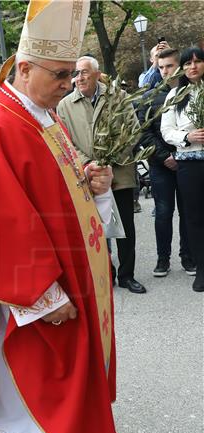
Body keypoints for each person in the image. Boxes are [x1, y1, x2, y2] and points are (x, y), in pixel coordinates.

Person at [0, 1, 120, 433]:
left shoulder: (42, 115)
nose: (69, 83)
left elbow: (59, 181)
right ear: (24, 68)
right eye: (60, 74)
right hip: (34, 286)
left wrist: (93, 179)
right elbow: (3, 222)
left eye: (74, 74)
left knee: (23, 378)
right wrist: (44, 296)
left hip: (68, 271)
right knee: (59, 379)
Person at [57, 55, 146, 294]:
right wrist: (91, 164)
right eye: (76, 73)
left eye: (85, 72)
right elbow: (65, 141)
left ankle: (128, 275)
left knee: (125, 225)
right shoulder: (65, 105)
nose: (80, 78)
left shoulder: (118, 97)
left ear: (97, 74)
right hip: (88, 175)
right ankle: (106, 273)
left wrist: (110, 160)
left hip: (120, 172)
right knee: (97, 229)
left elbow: (132, 132)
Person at [137, 48, 196, 278]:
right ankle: (163, 259)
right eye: (161, 67)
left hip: (187, 160)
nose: (165, 71)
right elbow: (144, 132)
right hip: (160, 164)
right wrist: (164, 157)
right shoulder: (149, 97)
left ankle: (187, 257)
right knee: (163, 212)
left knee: (187, 210)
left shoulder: (191, 92)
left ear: (178, 66)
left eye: (169, 66)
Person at [161, 45, 204, 292]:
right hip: (189, 164)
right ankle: (201, 268)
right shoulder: (175, 95)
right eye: (188, 63)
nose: (192, 66)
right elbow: (167, 131)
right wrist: (188, 136)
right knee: (195, 219)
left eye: (197, 62)